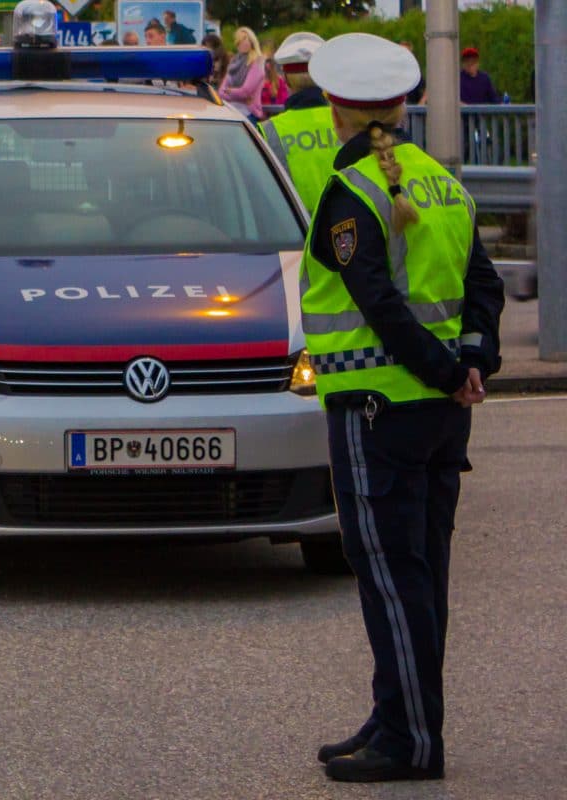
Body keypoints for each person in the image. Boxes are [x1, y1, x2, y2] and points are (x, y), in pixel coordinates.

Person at [303, 33, 505, 783]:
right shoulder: (442, 182)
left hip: (375, 409)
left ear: (335, 108)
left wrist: (447, 367)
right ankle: (398, 714)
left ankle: (411, 740)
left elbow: (379, 305)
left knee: (390, 572)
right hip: (441, 412)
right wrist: (473, 361)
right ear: (404, 105)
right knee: (421, 571)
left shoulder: (349, 190)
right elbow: (484, 287)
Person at [256, 32, 335, 214]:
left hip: (296, 233)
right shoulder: (348, 122)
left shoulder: (268, 131)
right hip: (348, 232)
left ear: (284, 77)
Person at [218, 27, 266, 121]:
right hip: (231, 112)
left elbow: (245, 92)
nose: (242, 43)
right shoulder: (234, 63)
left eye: (245, 39)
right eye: (240, 41)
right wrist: (238, 95)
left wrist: (229, 91)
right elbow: (220, 92)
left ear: (252, 42)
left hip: (249, 114)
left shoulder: (257, 63)